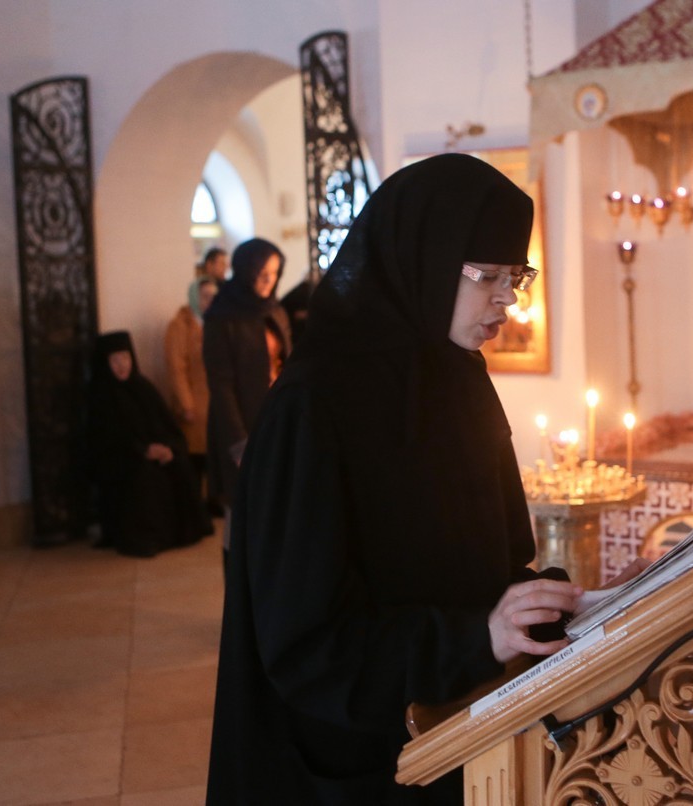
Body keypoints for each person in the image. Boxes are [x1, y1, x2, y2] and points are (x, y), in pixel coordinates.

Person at [206, 154, 595, 804]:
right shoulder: (313, 406)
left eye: (516, 276)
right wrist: (477, 638)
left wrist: (575, 606)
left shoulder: (460, 378)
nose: (509, 298)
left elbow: (489, 568)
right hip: (352, 761)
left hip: (462, 731)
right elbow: (306, 645)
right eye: (489, 276)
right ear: (423, 259)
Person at [85, 331, 212, 556]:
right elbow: (104, 442)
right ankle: (150, 538)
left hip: (154, 452)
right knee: (146, 476)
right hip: (123, 461)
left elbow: (166, 426)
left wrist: (168, 448)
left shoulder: (143, 387)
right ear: (106, 363)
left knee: (180, 464)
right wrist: (142, 451)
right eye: (115, 360)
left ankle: (184, 532)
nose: (122, 365)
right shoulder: (100, 397)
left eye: (125, 358)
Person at [202, 238, 291, 520]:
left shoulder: (274, 311)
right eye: (262, 273)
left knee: (278, 506)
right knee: (245, 511)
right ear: (245, 271)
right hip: (242, 423)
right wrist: (239, 442)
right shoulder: (222, 317)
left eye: (274, 273)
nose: (269, 280)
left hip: (276, 417)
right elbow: (221, 386)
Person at [164, 276, 217, 499]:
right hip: (194, 405)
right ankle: (196, 505)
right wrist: (186, 404)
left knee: (212, 457)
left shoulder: (214, 323)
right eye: (205, 296)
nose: (210, 301)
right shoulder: (180, 326)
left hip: (212, 403)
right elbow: (176, 368)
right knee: (194, 458)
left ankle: (211, 501)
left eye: (214, 297)